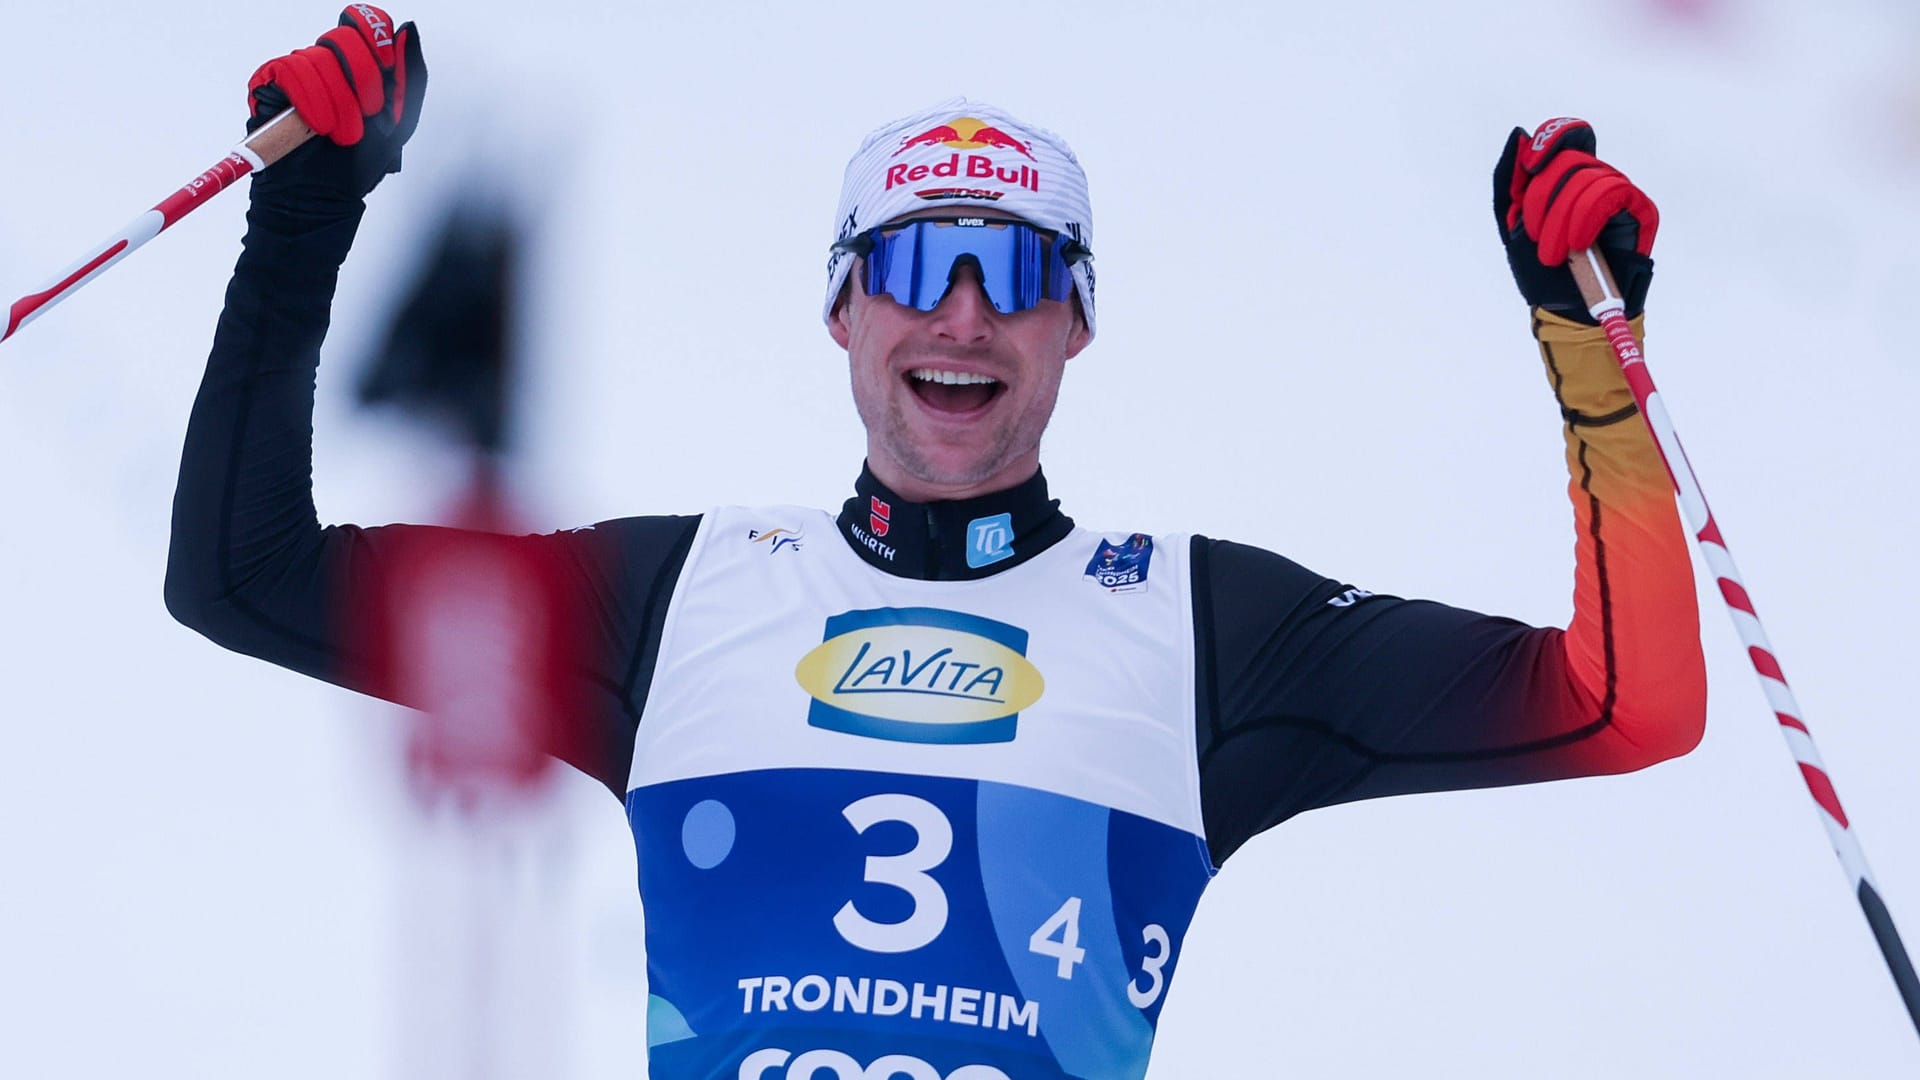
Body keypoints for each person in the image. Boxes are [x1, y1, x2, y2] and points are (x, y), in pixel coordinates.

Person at [164, 8, 1707, 1080]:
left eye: (1016, 268)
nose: (961, 312)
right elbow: (241, 581)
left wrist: (1590, 349)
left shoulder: (1208, 629)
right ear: (841, 309)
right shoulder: (673, 594)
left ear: (1078, 321)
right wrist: (302, 221)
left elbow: (1623, 702)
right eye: (912, 261)